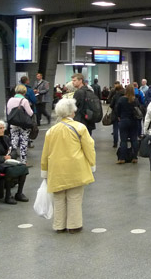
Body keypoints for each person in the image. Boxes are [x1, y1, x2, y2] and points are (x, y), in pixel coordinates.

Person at [41, 98, 96, 233]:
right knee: (75, 197)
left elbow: (45, 153)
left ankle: (59, 225)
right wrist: (92, 163)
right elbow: (89, 148)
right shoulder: (80, 128)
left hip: (56, 169)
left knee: (58, 198)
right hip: (75, 168)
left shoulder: (51, 131)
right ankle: (74, 225)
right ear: (72, 112)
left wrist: (44, 170)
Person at [0, 120, 28, 204]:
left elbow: (13, 150)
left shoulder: (5, 138)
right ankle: (8, 195)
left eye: (3, 128)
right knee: (9, 170)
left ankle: (19, 193)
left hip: (7, 161)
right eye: (0, 128)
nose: (3, 130)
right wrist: (3, 158)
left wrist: (11, 156)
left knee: (23, 167)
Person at [7, 85, 34, 166]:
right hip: (23, 125)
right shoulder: (24, 100)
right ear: (24, 92)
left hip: (13, 124)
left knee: (13, 142)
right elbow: (30, 113)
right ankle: (23, 162)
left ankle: (12, 160)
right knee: (23, 143)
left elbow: (9, 112)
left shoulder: (10, 100)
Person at [115, 85, 142, 164]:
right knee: (134, 139)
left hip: (124, 121)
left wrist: (119, 117)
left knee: (123, 140)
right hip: (134, 122)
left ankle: (122, 158)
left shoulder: (121, 99)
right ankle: (134, 157)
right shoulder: (135, 100)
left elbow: (117, 110)